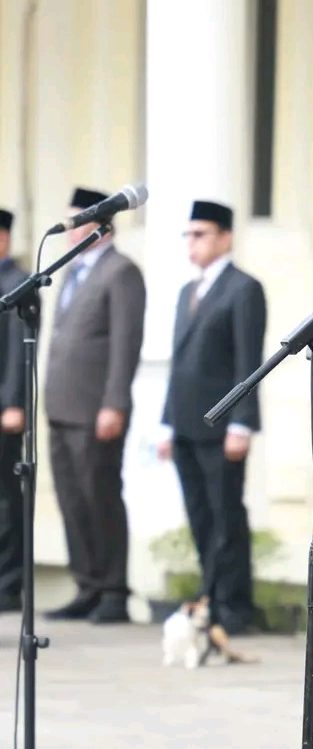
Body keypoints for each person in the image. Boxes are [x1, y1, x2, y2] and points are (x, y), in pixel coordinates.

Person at [158, 201, 266, 636]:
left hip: (223, 427)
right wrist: (167, 422)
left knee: (226, 517)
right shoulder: (188, 290)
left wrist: (242, 422)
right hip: (186, 423)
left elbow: (248, 363)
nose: (192, 243)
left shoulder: (243, 289)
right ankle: (211, 599)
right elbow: (178, 363)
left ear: (225, 237)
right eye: (188, 234)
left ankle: (234, 606)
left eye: (201, 234)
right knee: (200, 516)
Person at [44, 188, 146, 624]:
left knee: (99, 496)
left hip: (95, 410)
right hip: (61, 408)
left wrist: (114, 403)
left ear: (101, 223)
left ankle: (112, 591)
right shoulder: (73, 270)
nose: (71, 228)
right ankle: (87, 585)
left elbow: (125, 343)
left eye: (79, 219)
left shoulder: (121, 271)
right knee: (72, 501)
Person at [0, 209, 26, 613]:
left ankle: (7, 584)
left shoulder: (18, 282)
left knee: (5, 498)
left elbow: (20, 350)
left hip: (3, 409)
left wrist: (14, 402)